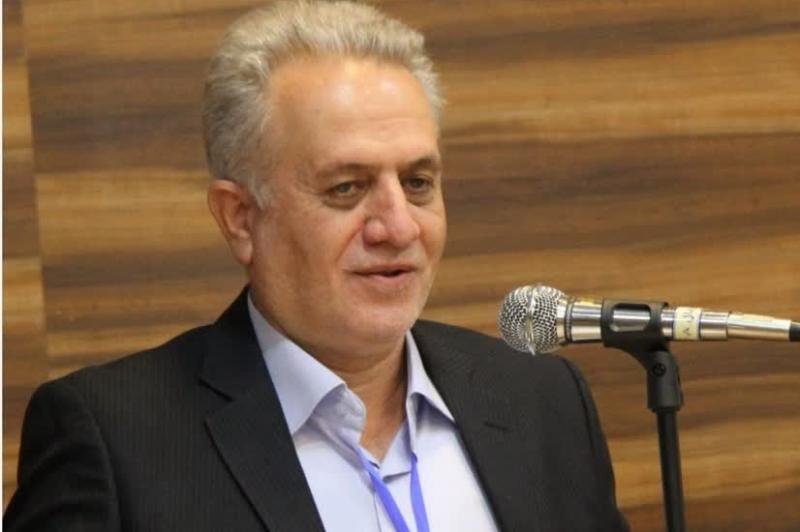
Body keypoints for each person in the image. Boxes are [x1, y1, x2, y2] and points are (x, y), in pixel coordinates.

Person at [5, 1, 628, 530]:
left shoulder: (542, 402)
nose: (399, 228)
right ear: (240, 218)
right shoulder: (115, 442)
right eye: (346, 189)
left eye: (417, 182)